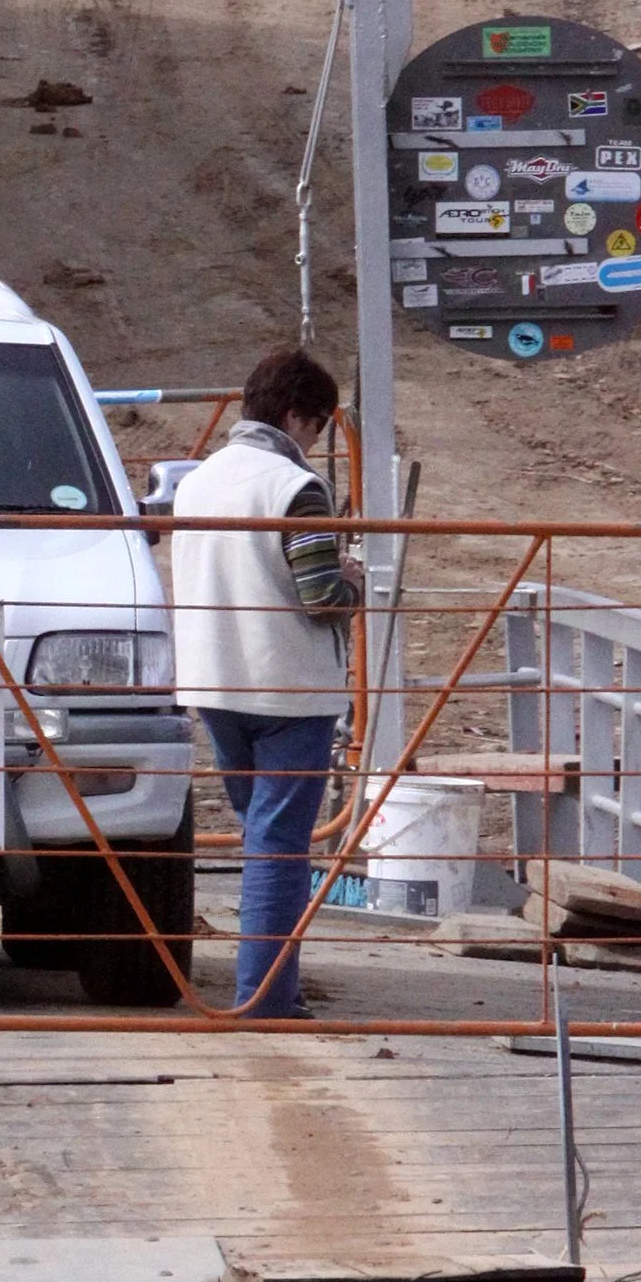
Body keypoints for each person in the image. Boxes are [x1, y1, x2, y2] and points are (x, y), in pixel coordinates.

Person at [171, 349, 361, 1021]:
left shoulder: (196, 481)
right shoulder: (293, 486)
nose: (316, 440)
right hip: (287, 690)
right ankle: (267, 995)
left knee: (260, 832)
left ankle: (266, 984)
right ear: (294, 416)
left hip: (213, 682)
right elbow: (320, 597)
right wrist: (354, 580)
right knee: (279, 845)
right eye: (317, 425)